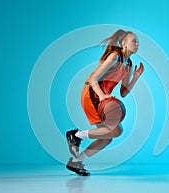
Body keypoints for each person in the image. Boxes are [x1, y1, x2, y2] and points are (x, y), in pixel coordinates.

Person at [66, 29, 144, 176]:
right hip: (92, 94)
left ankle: (76, 161)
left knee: (108, 137)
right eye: (134, 41)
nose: (137, 43)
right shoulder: (115, 57)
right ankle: (76, 135)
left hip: (101, 97)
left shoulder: (128, 63)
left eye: (138, 41)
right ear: (124, 43)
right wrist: (102, 95)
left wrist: (135, 77)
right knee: (115, 131)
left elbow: (123, 92)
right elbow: (92, 78)